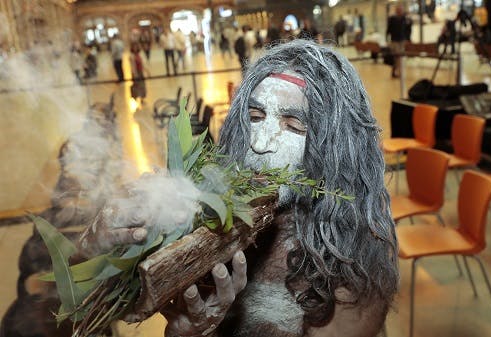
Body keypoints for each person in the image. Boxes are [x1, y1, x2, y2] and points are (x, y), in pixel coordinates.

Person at [80, 39, 399, 337]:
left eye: (293, 125)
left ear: (334, 148)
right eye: (255, 116)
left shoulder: (353, 252)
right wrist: (102, 248)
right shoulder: (213, 218)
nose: (259, 144)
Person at [386, 4, 410, 78]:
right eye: (398, 10)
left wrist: (408, 39)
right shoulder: (392, 19)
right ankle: (395, 72)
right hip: (394, 40)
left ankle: (398, 72)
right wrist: (387, 39)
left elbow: (408, 30)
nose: (399, 11)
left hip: (402, 40)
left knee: (400, 58)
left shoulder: (404, 19)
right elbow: (388, 30)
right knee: (396, 57)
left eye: (400, 10)